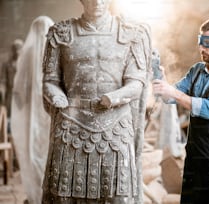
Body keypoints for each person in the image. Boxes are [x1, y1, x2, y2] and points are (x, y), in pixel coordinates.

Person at [41, 0, 152, 203]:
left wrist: (114, 98)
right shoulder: (61, 32)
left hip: (116, 125)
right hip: (71, 123)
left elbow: (137, 83)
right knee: (63, 194)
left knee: (118, 195)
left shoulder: (131, 33)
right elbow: (50, 80)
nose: (98, 2)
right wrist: (56, 95)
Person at [152, 18, 209, 204]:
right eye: (200, 41)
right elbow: (171, 97)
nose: (202, 48)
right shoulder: (196, 71)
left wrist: (173, 93)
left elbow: (208, 109)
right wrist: (159, 77)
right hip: (194, 161)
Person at [10, 16, 54, 204]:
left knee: (35, 152)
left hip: (36, 117)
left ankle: (37, 195)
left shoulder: (27, 54)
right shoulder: (54, 52)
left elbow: (18, 92)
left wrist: (23, 113)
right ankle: (44, 196)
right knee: (45, 153)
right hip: (49, 114)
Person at [0, 38, 23, 118]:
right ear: (12, 50)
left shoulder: (24, 66)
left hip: (21, 96)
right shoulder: (6, 65)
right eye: (15, 48)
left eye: (19, 48)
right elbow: (3, 81)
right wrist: (2, 98)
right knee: (8, 116)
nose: (17, 51)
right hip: (9, 95)